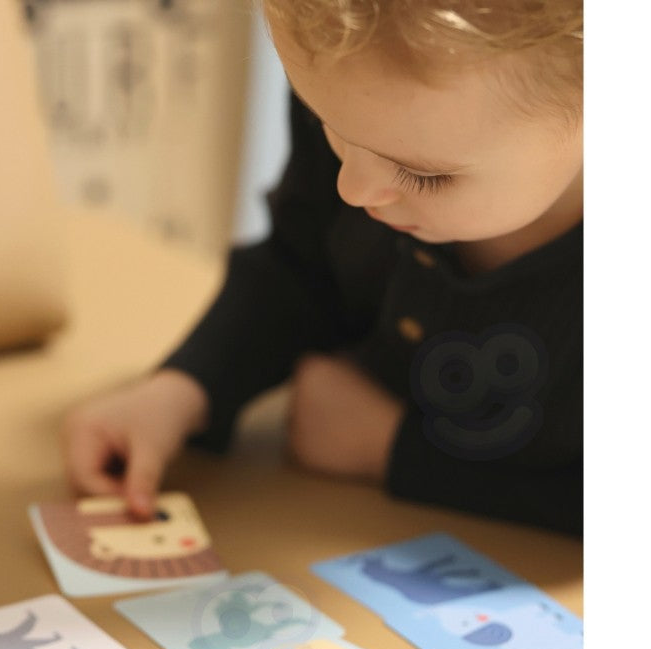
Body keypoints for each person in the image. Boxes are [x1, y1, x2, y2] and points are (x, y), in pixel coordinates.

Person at [63, 0, 583, 535]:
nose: (352, 189)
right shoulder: (369, 107)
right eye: (326, 123)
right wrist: (184, 388)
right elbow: (301, 270)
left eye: (421, 175)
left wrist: (390, 450)